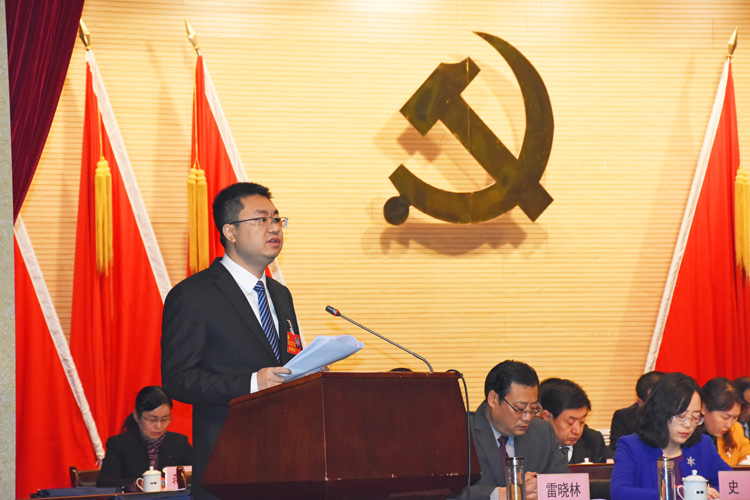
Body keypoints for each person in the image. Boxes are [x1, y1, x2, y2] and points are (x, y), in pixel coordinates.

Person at [161, 182, 301, 500]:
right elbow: (178, 379)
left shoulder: (280, 294)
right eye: (261, 219)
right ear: (230, 231)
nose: (274, 227)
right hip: (229, 467)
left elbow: (285, 361)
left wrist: (309, 371)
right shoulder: (194, 295)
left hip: (287, 461)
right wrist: (252, 383)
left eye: (277, 219)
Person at [448, 361, 569, 500]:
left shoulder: (542, 432)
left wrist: (541, 487)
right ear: (493, 399)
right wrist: (500, 494)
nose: (528, 417)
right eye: (520, 408)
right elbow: (445, 493)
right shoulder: (457, 432)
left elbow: (565, 485)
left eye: (533, 408)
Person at [610, 373, 732, 500]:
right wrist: (681, 493)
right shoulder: (632, 446)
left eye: (695, 417)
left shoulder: (702, 445)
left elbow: (733, 485)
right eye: (681, 417)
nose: (688, 425)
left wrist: (705, 493)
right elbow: (619, 493)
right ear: (660, 413)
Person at [97, 386, 192, 492]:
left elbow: (195, 475)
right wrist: (139, 484)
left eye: (165, 419)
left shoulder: (180, 443)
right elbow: (105, 482)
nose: (159, 426)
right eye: (152, 420)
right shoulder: (119, 444)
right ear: (136, 416)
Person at [539, 378, 614, 464]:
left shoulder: (593, 441)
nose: (577, 431)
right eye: (570, 422)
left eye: (582, 421)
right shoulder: (530, 444)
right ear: (547, 417)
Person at [700, 377, 750, 465]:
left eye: (735, 417)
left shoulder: (735, 430)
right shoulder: (687, 433)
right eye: (725, 417)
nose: (729, 425)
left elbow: (746, 455)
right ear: (703, 408)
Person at [609, 370, 663, 450]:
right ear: (640, 403)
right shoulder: (624, 418)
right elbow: (618, 452)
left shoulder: (680, 416)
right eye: (655, 403)